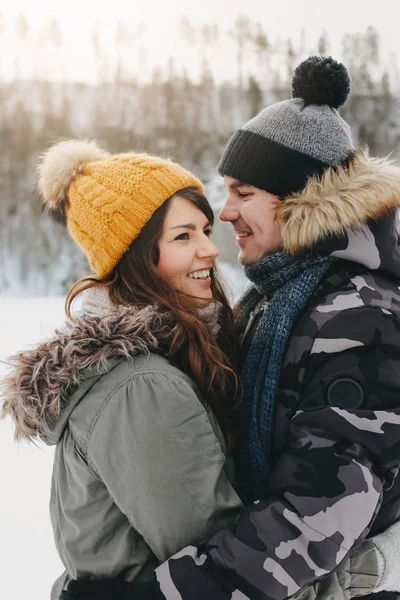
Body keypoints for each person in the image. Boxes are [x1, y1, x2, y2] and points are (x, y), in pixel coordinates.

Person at [62, 56, 400, 600]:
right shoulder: (278, 298)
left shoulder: (358, 316)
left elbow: (317, 517)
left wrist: (157, 595)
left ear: (300, 199)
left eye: (242, 192)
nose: (225, 214)